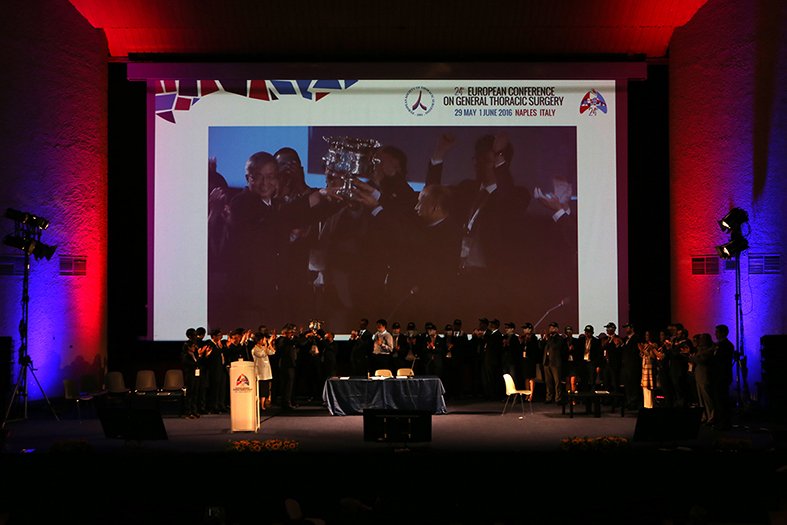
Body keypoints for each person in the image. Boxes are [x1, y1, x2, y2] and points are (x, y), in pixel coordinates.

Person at [713, 324, 735, 429]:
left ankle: (724, 423)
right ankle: (720, 421)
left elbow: (722, 361)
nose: (715, 334)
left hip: (722, 375)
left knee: (721, 399)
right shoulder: (720, 345)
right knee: (719, 399)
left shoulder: (726, 345)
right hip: (719, 375)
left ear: (723, 333)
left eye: (717, 332)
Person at [541, 321, 567, 404]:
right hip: (547, 362)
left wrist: (548, 338)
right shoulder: (548, 338)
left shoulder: (559, 338)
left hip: (555, 363)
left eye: (553, 328)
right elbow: (541, 347)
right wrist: (543, 339)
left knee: (557, 382)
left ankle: (558, 398)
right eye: (550, 328)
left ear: (557, 329)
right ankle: (549, 397)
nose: (551, 329)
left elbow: (555, 347)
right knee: (548, 382)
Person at [251, 329, 276, 412]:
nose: (265, 341)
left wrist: (270, 344)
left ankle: (264, 403)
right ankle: (260, 405)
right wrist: (266, 346)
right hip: (260, 372)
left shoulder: (263, 348)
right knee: (261, 389)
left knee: (265, 389)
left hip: (266, 372)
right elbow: (261, 354)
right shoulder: (255, 349)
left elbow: (272, 352)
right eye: (264, 340)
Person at [639, 330, 659, 408]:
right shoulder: (645, 344)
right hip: (645, 367)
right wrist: (641, 351)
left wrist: (643, 351)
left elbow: (653, 356)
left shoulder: (654, 345)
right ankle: (646, 405)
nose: (646, 337)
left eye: (648, 335)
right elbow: (642, 355)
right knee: (645, 387)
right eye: (646, 335)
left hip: (650, 367)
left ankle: (650, 405)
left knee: (650, 386)